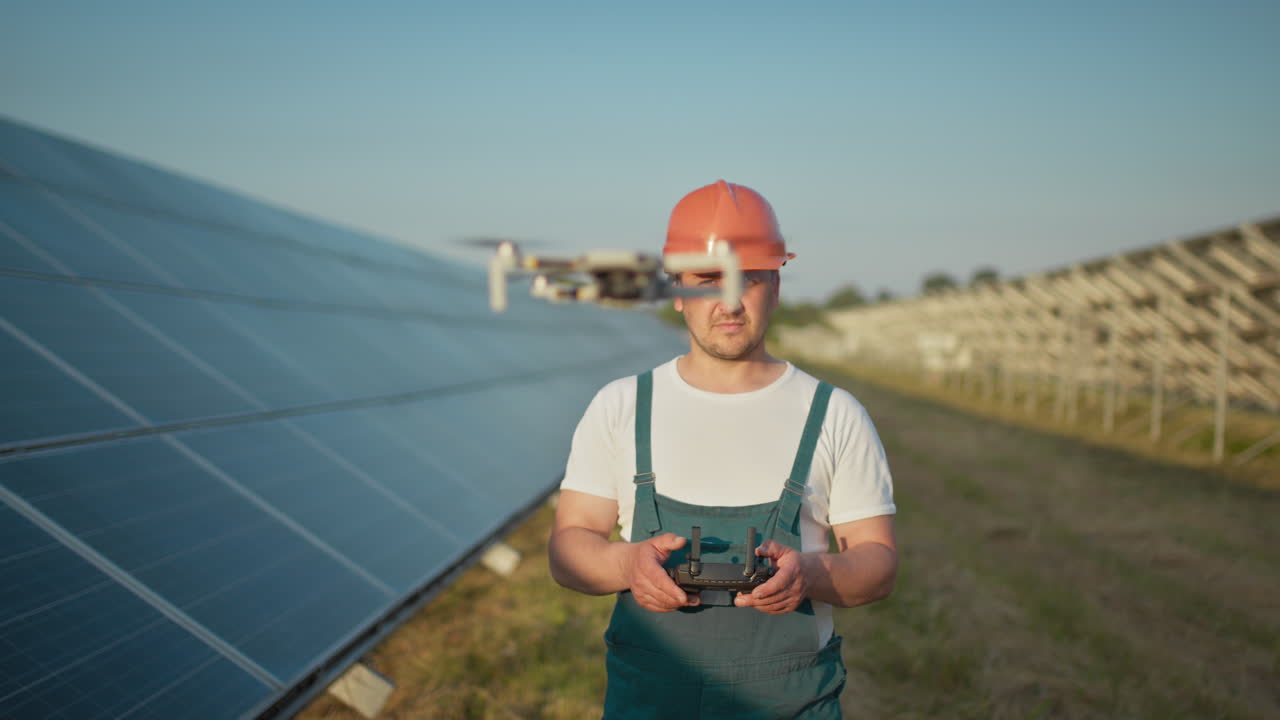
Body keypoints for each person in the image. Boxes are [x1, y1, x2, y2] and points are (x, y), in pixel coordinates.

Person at [548, 180, 897, 719]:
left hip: (790, 703)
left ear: (776, 284)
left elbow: (877, 563)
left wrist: (808, 573)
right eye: (708, 279)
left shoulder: (833, 414)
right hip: (649, 703)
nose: (729, 301)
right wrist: (627, 564)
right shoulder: (621, 407)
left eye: (750, 278)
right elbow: (569, 548)